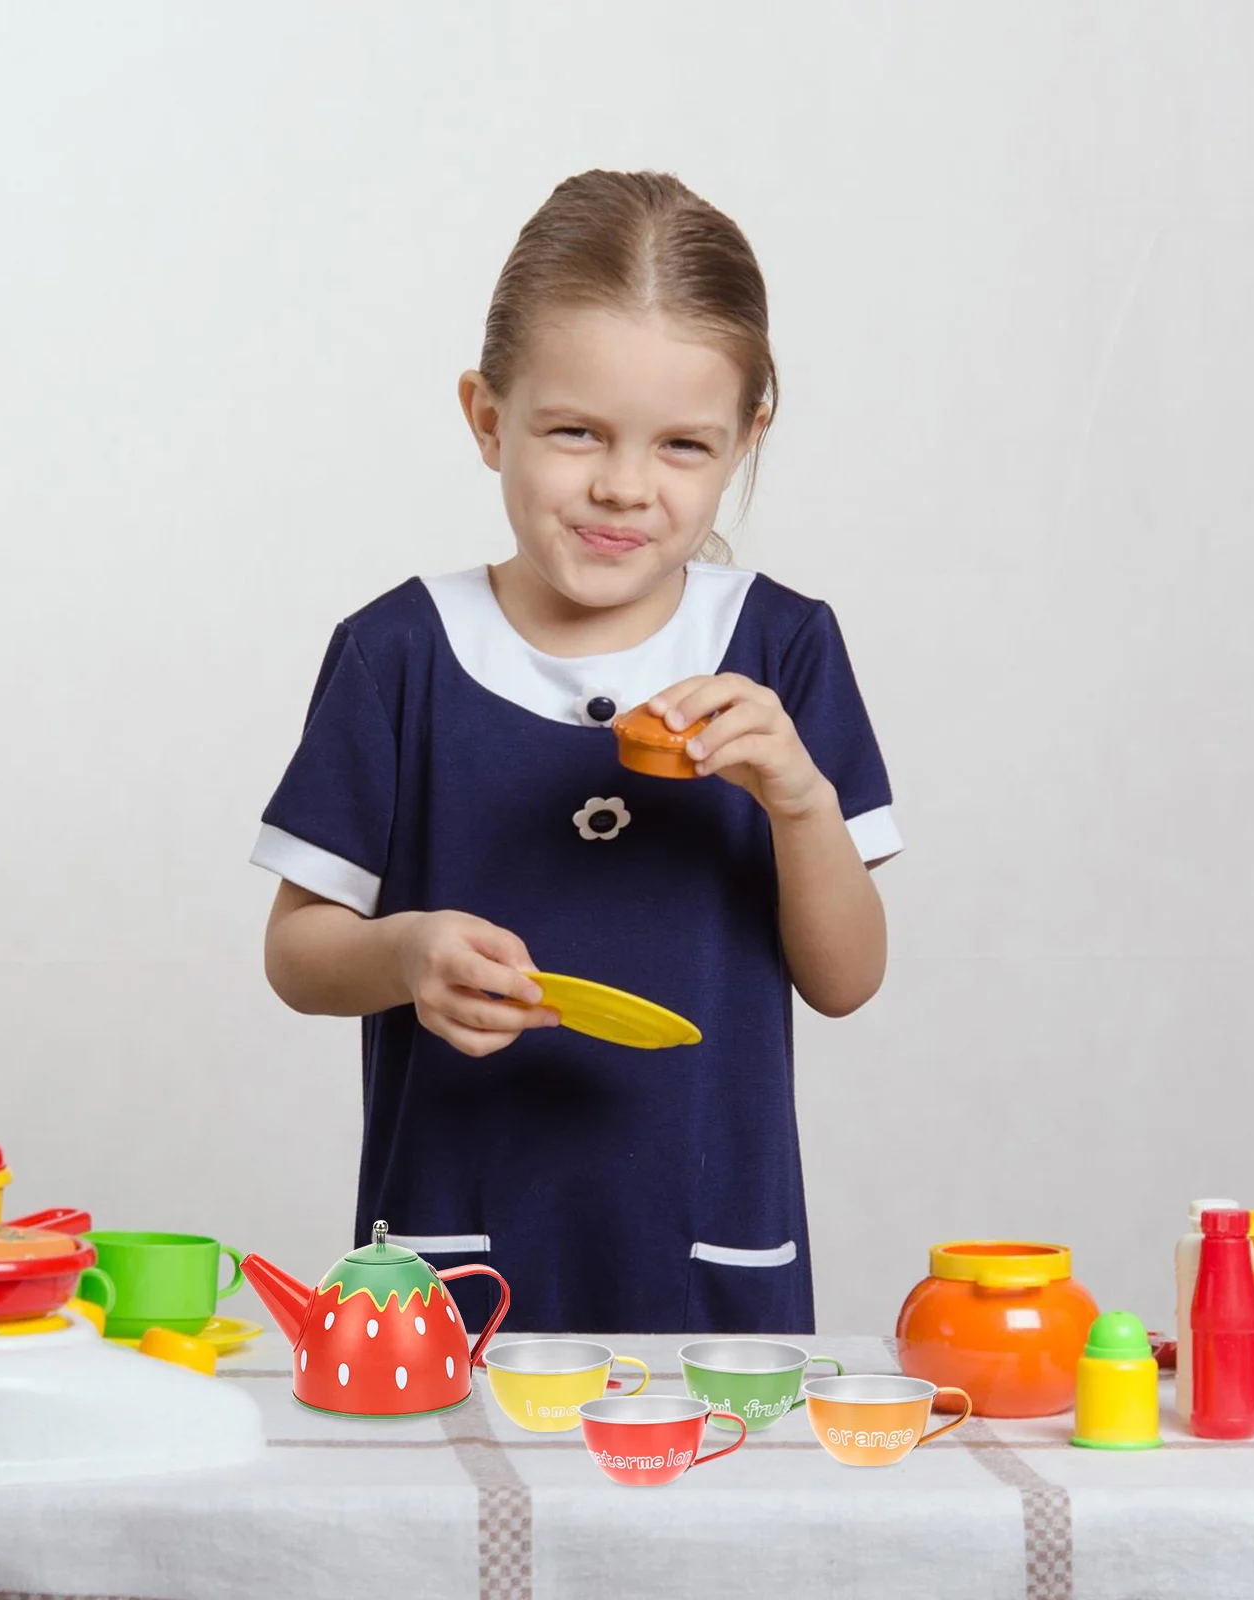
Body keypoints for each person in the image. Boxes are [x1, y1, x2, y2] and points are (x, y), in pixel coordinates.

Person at [251, 170, 900, 1335]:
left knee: (703, 1517)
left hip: (710, 1271)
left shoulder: (780, 648)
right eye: (574, 430)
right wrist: (405, 954)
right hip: (457, 1265)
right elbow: (299, 954)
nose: (622, 485)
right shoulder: (398, 653)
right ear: (487, 416)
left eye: (684, 446)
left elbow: (846, 981)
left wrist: (800, 800)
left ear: (749, 438)